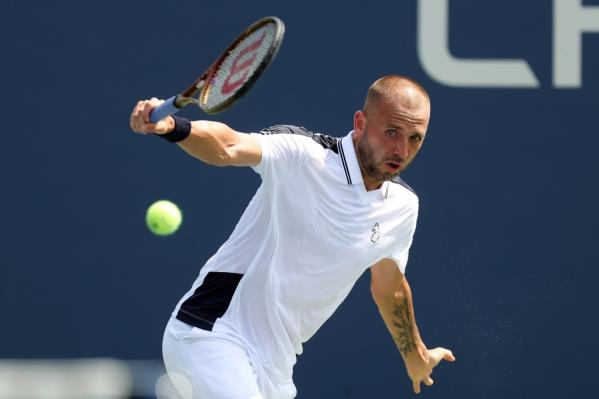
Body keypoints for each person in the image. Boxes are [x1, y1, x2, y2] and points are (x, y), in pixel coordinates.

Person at [130, 75, 455, 399]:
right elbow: (229, 145)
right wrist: (175, 127)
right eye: (392, 132)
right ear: (360, 122)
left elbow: (390, 287)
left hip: (277, 368)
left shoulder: (403, 206)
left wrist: (416, 357)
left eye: (415, 138)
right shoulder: (303, 153)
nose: (402, 149)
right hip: (210, 335)